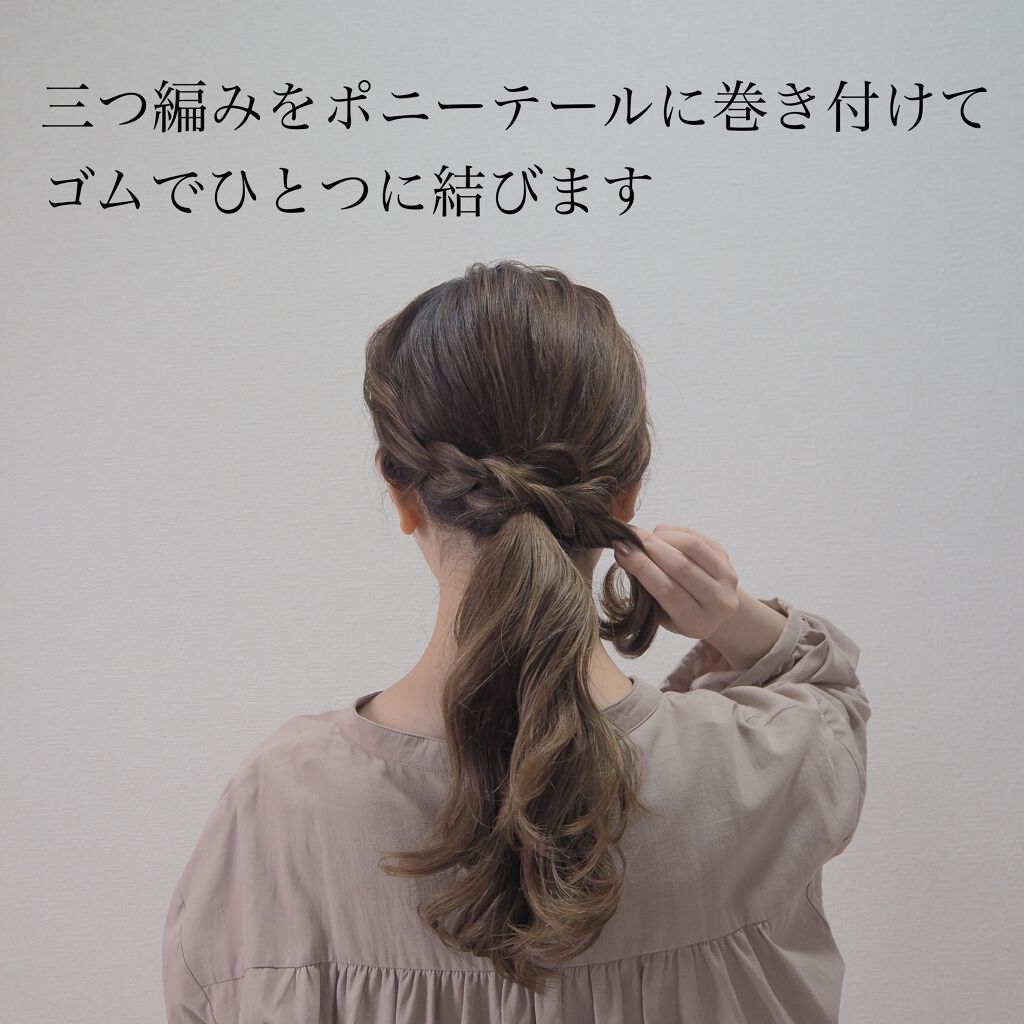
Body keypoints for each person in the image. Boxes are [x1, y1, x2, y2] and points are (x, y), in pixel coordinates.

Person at [162, 260, 870, 1023]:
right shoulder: (756, 771)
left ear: (401, 494)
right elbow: (829, 695)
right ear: (625, 496)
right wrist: (732, 618)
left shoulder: (281, 808)